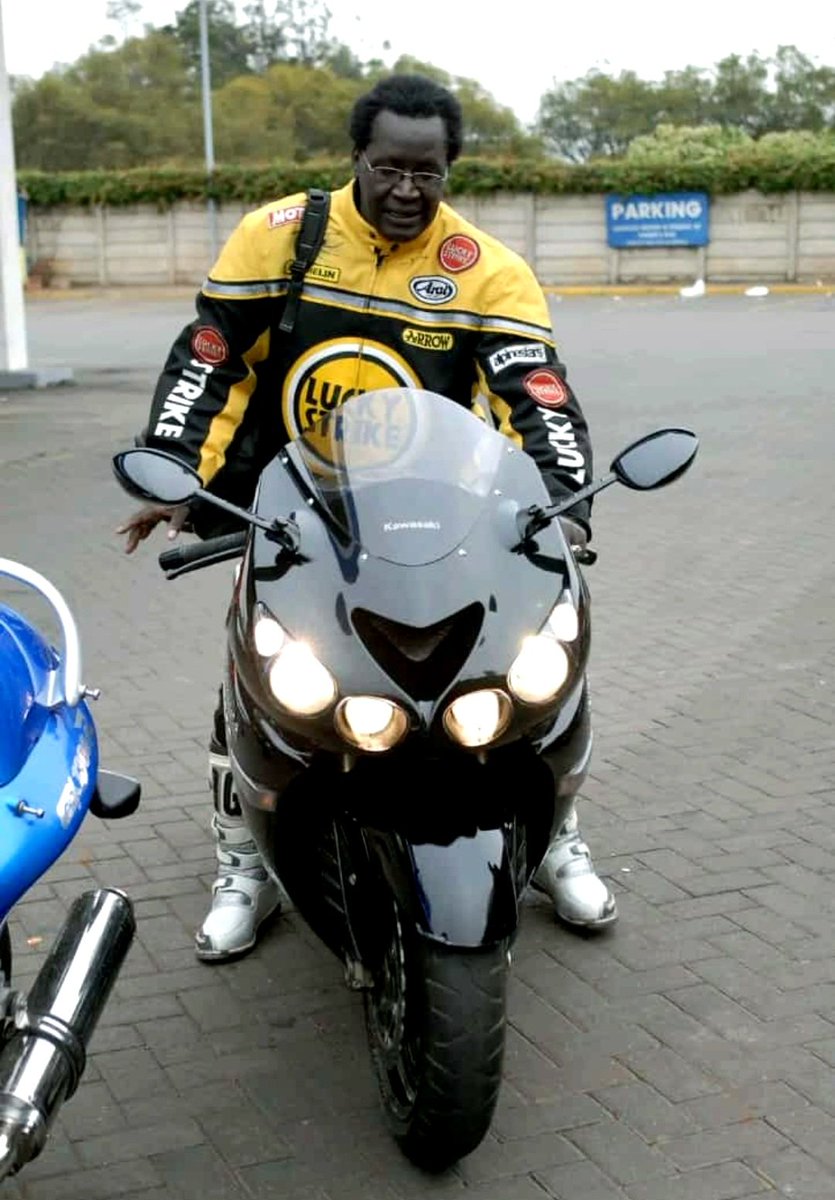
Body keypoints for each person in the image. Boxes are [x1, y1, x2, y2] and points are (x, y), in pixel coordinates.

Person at [117, 72, 617, 962]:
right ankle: (242, 863)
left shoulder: (486, 271)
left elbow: (531, 394)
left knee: (529, 678)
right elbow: (214, 358)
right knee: (259, 686)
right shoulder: (279, 237)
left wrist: (558, 502)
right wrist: (176, 473)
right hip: (292, 511)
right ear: (359, 157)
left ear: (448, 169)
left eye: (426, 173)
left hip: (438, 512)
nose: (405, 191)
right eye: (388, 167)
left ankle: (555, 833)